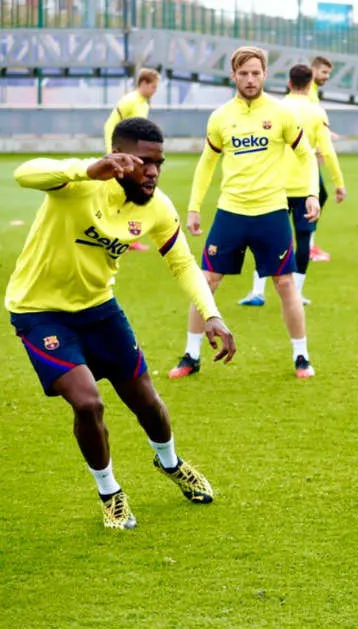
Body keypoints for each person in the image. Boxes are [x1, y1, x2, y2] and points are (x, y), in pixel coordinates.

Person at [6, 117, 237, 530]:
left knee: (147, 401)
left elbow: (182, 262)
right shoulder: (81, 183)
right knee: (88, 402)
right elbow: (24, 172)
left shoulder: (159, 207)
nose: (153, 172)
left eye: (159, 163)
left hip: (99, 309)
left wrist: (211, 314)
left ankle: (170, 463)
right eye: (144, 162)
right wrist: (86, 168)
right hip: (39, 311)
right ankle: (110, 492)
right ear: (120, 158)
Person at [170, 46, 319, 380]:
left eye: (256, 73)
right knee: (206, 281)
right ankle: (191, 355)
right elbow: (206, 164)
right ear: (233, 75)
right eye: (244, 73)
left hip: (271, 212)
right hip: (231, 212)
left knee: (284, 284)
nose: (250, 79)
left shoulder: (281, 113)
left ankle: (301, 356)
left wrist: (312, 193)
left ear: (265, 74)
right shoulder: (221, 117)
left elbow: (307, 156)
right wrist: (194, 207)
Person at [239, 64, 347, 308]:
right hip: (305, 187)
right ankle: (296, 294)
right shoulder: (317, 111)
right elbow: (327, 152)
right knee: (304, 238)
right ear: (310, 85)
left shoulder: (274, 108)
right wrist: (338, 183)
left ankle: (258, 291)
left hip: (273, 184)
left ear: (288, 83)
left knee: (265, 240)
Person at [103, 67, 160, 252]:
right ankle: (123, 237)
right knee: (130, 193)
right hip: (122, 153)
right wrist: (115, 154)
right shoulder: (134, 101)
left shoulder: (141, 102)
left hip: (125, 152)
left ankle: (126, 238)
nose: (155, 90)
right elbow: (130, 132)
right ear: (143, 84)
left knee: (127, 194)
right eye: (153, 86)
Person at [307, 56, 335, 263]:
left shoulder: (313, 92)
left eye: (328, 73)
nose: (326, 77)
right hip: (305, 157)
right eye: (324, 72)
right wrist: (317, 149)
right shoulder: (308, 92)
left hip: (307, 153)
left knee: (317, 196)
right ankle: (306, 246)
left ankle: (307, 244)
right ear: (313, 70)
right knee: (317, 196)